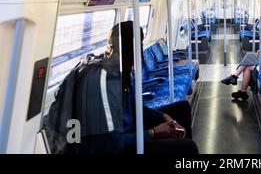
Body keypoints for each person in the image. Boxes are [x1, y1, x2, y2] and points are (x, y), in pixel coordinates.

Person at [65, 21, 198, 154]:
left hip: (128, 130)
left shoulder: (123, 72)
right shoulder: (102, 83)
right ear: (127, 47)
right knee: (188, 147)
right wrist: (153, 133)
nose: (140, 50)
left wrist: (164, 117)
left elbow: (134, 106)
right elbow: (109, 143)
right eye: (138, 45)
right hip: (116, 147)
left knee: (182, 109)